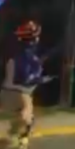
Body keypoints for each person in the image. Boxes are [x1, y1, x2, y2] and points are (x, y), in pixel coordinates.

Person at [3, 21, 44, 149]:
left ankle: (19, 141)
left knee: (24, 124)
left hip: (16, 94)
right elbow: (14, 82)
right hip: (17, 94)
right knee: (25, 120)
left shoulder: (29, 56)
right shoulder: (20, 58)